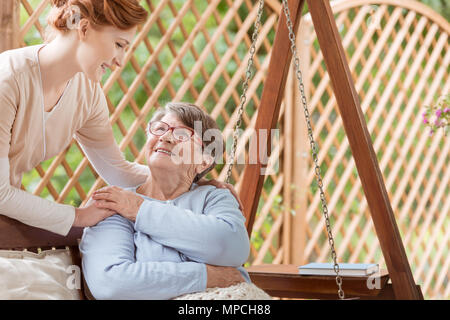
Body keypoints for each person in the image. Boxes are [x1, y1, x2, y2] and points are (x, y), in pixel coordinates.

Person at [0, 0, 240, 237]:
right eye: (118, 44)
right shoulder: (9, 80)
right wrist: (79, 215)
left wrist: (192, 181)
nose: (121, 60)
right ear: (83, 29)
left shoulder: (88, 94)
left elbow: (117, 170)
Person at [79, 103, 252, 299]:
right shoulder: (116, 202)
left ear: (203, 162)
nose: (165, 137)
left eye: (182, 135)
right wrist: (207, 275)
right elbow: (112, 283)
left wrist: (141, 210)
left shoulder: (213, 196)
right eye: (160, 128)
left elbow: (231, 246)